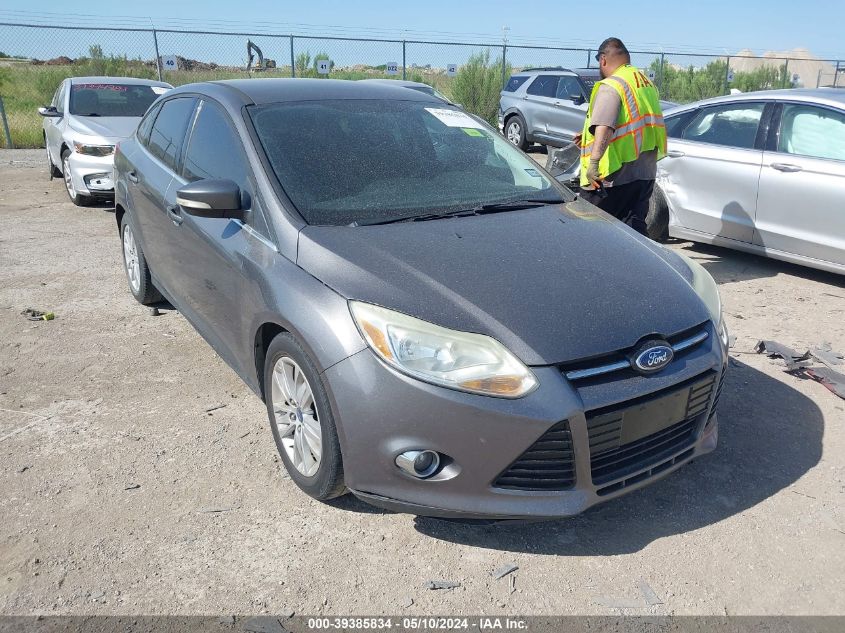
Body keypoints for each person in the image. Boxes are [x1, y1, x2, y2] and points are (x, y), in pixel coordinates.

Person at [573, 37, 667, 236]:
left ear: (603, 60)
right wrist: (588, 135)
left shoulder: (612, 85)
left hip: (611, 176)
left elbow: (605, 126)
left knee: (590, 230)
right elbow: (635, 122)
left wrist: (594, 164)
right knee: (632, 231)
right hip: (644, 172)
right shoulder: (644, 82)